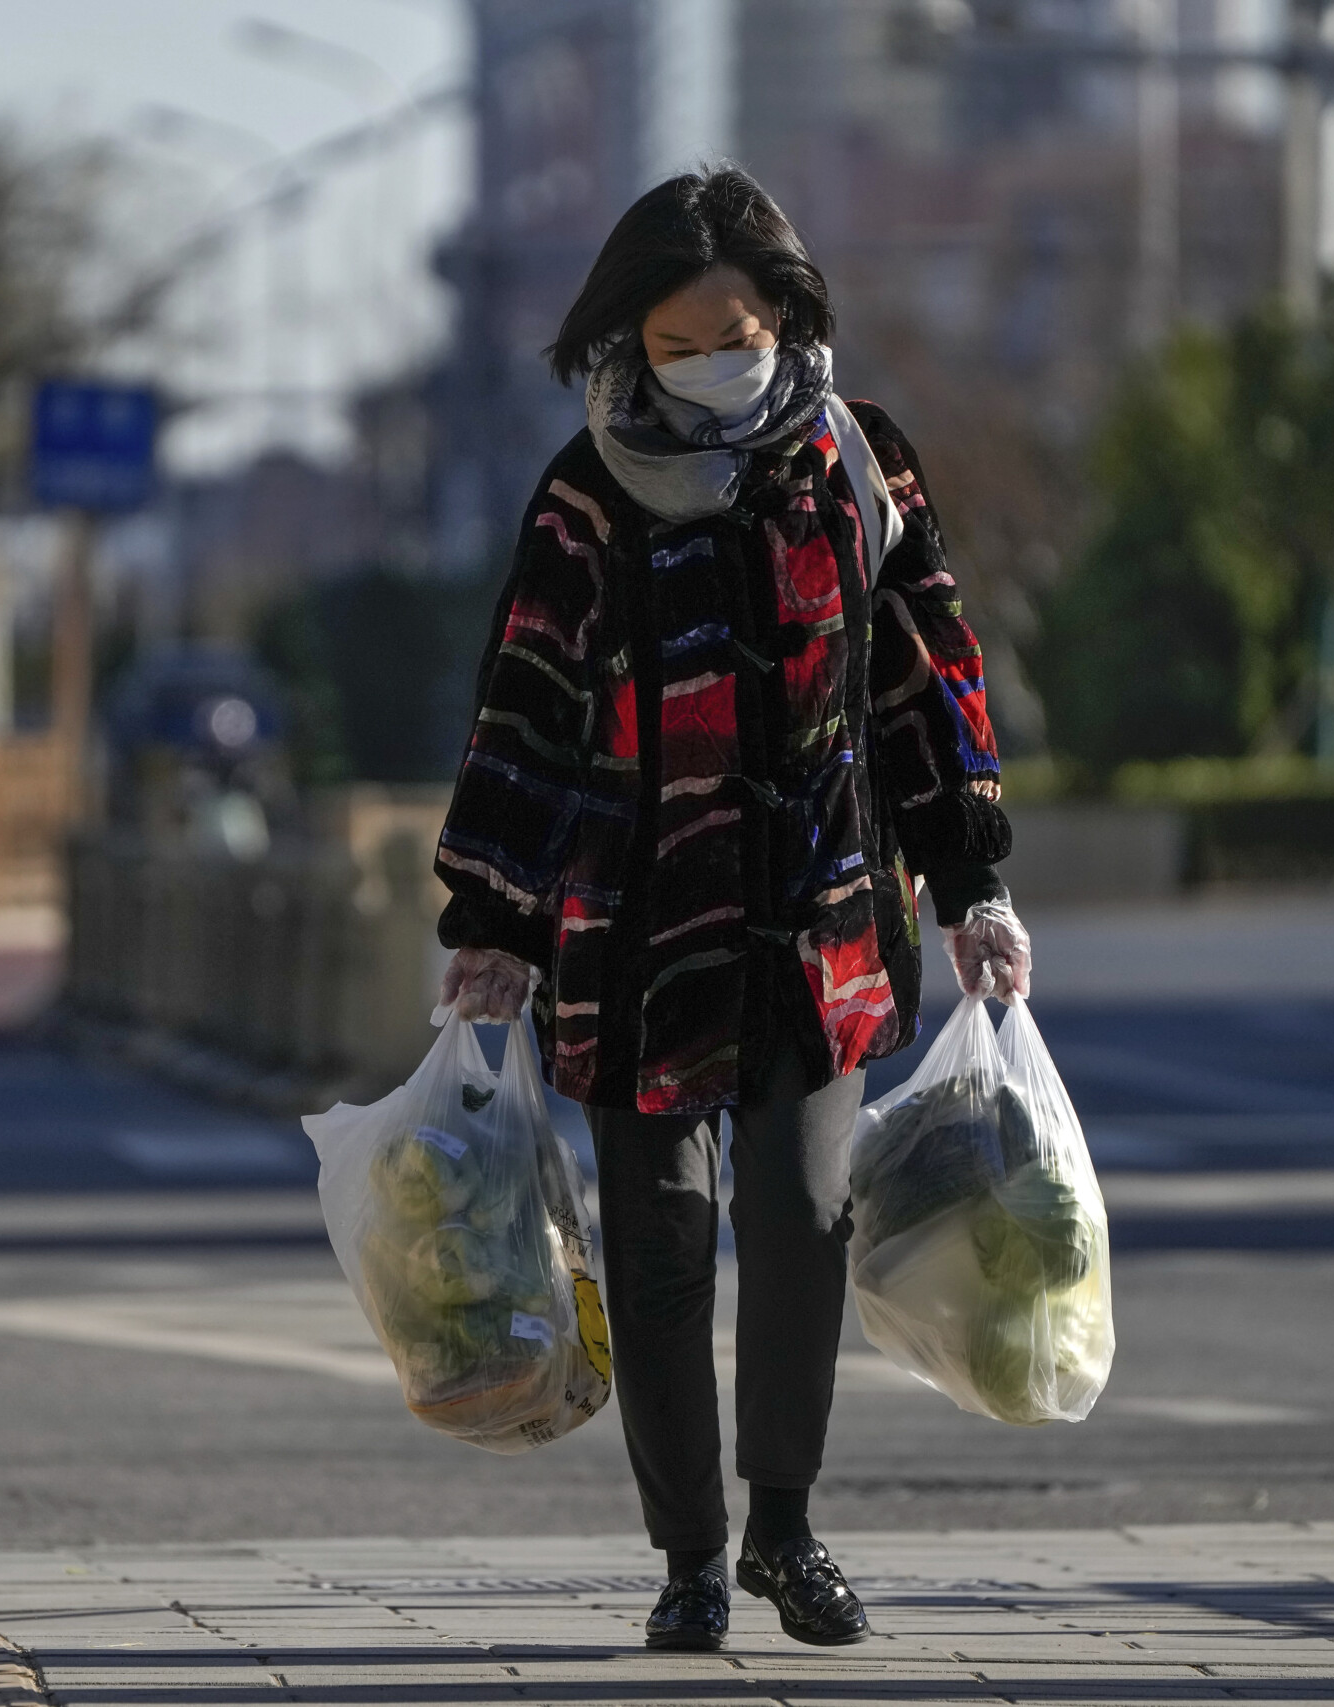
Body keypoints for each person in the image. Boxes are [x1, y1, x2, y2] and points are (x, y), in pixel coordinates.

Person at [431, 169, 1031, 1653]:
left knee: (804, 1221)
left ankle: (786, 1528)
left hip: (821, 918)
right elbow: (527, 710)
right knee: (662, 1242)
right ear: (632, 338)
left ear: (788, 318)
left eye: (742, 327)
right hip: (636, 936)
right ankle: (688, 1556)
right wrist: (491, 921)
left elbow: (925, 686)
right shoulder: (586, 494)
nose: (718, 357)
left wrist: (972, 884)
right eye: (686, 337)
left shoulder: (853, 462)